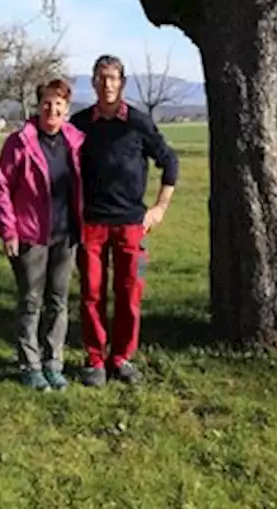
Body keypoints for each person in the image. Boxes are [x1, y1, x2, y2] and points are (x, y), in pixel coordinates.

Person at [70, 54, 178, 386]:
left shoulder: (138, 123)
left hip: (133, 226)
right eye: (101, 78)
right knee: (91, 293)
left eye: (113, 78)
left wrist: (159, 208)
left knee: (131, 292)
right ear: (93, 83)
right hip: (91, 225)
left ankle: (122, 357)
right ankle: (95, 360)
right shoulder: (80, 124)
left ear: (122, 83)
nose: (107, 84)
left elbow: (169, 161)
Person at [0, 78, 85, 391]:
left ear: (67, 108)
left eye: (59, 103)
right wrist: (9, 231)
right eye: (47, 102)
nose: (52, 108)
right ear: (38, 104)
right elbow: (2, 187)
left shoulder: (76, 140)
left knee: (59, 302)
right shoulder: (19, 142)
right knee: (31, 302)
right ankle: (30, 365)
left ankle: (53, 363)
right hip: (31, 235)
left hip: (66, 234)